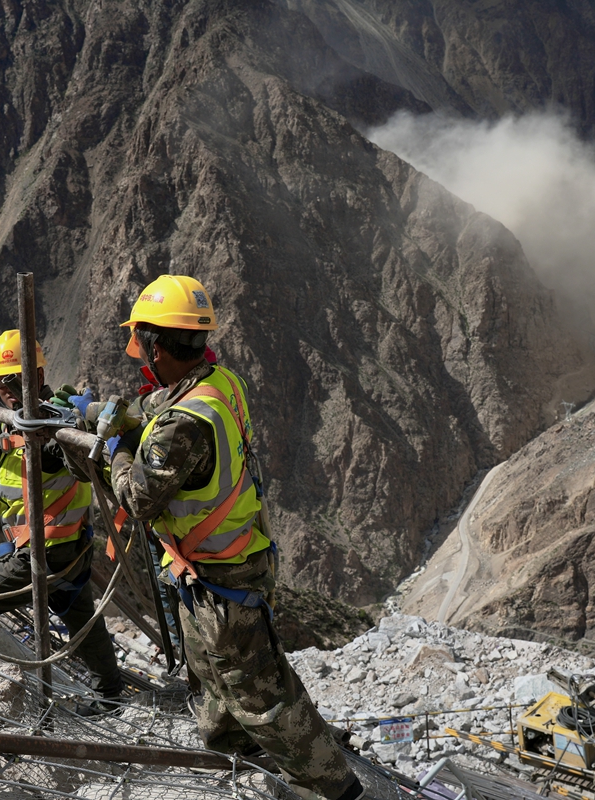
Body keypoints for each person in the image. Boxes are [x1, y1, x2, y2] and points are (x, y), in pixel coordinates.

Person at [103, 275, 365, 800]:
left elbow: (137, 499)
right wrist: (129, 415)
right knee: (207, 667)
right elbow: (163, 406)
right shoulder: (220, 382)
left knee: (259, 694)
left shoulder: (183, 426)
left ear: (157, 345)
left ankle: (335, 787)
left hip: (220, 577)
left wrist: (117, 449)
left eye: (141, 345)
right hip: (225, 561)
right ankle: (230, 745)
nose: (139, 358)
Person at [0, 329, 124, 708]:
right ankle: (110, 694)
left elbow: (75, 462)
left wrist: (53, 439)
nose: (8, 389)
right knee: (80, 614)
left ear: (39, 376)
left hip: (49, 551)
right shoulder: (13, 420)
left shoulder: (58, 422)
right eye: (0, 384)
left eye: (15, 379)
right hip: (62, 547)